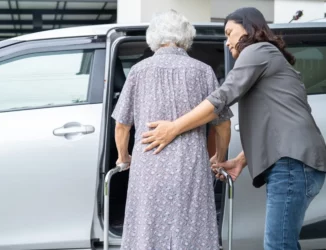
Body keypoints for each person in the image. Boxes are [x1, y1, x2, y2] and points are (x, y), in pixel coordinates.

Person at [140, 7, 326, 250]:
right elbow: (275, 123)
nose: (227, 42)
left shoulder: (257, 50)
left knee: (278, 245)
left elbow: (221, 98)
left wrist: (173, 127)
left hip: (292, 164)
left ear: (249, 28)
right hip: (298, 164)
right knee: (283, 243)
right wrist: (241, 160)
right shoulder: (269, 58)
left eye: (229, 33)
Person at [112, 10, 232, 250]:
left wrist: (124, 157)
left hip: (148, 165)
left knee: (148, 228)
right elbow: (223, 125)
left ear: (153, 37)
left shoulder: (138, 71)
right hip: (191, 168)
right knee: (191, 227)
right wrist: (218, 157)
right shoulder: (203, 71)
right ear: (186, 37)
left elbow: (122, 125)